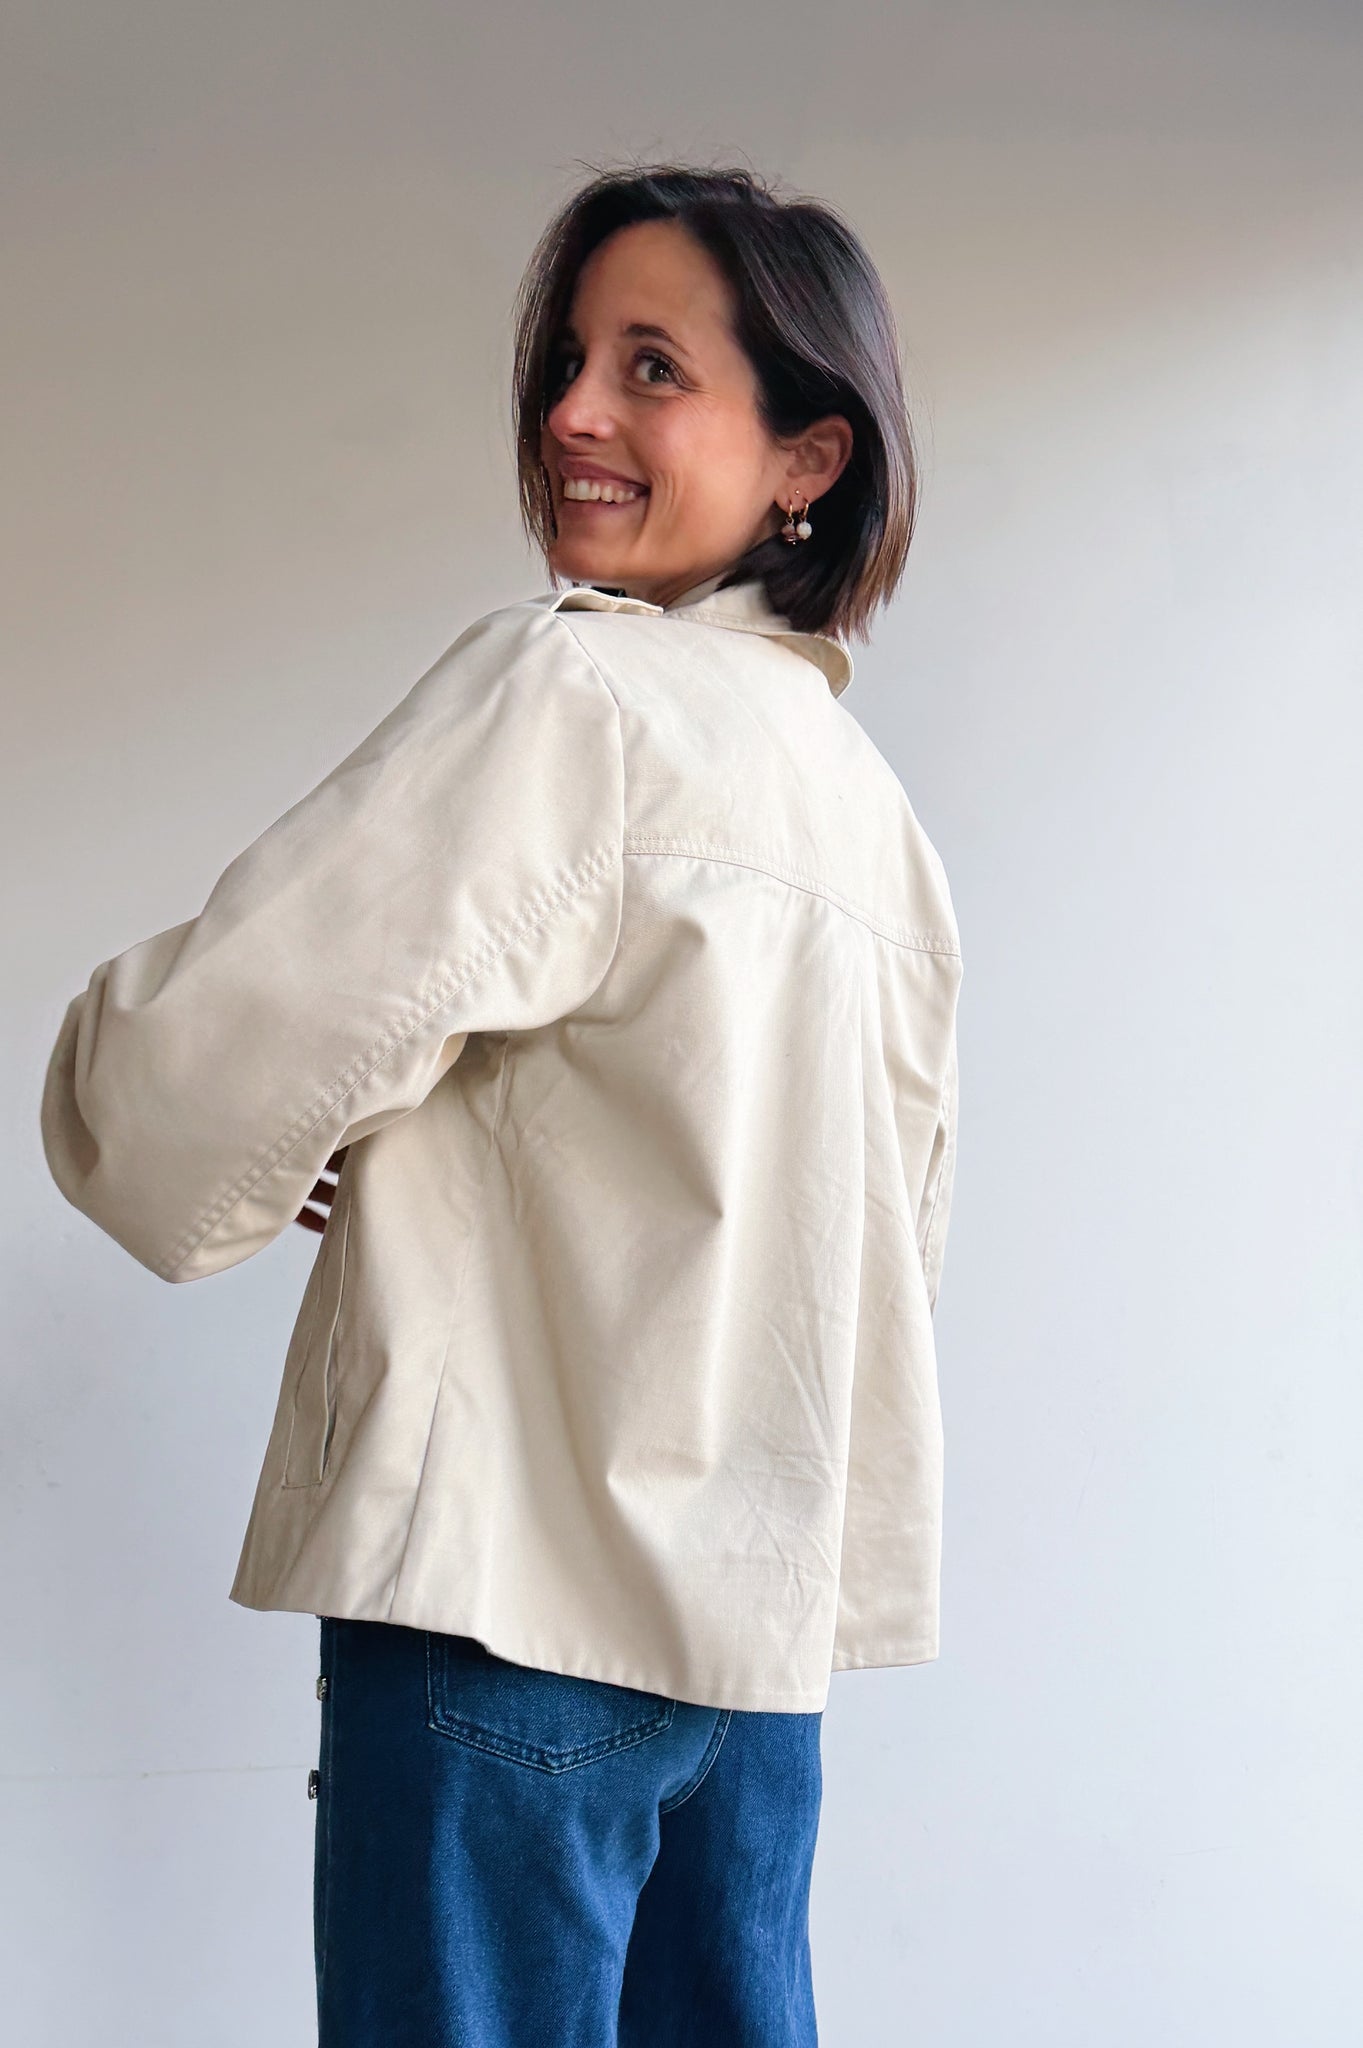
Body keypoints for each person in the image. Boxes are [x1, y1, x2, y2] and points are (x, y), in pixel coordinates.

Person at [40, 161, 963, 2046]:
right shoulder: (874, 821)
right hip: (751, 1670)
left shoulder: (575, 698)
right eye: (566, 361)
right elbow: (876, 1257)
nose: (571, 414)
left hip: (510, 1625)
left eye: (652, 369)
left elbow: (180, 1077)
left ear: (810, 457)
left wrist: (204, 1106)